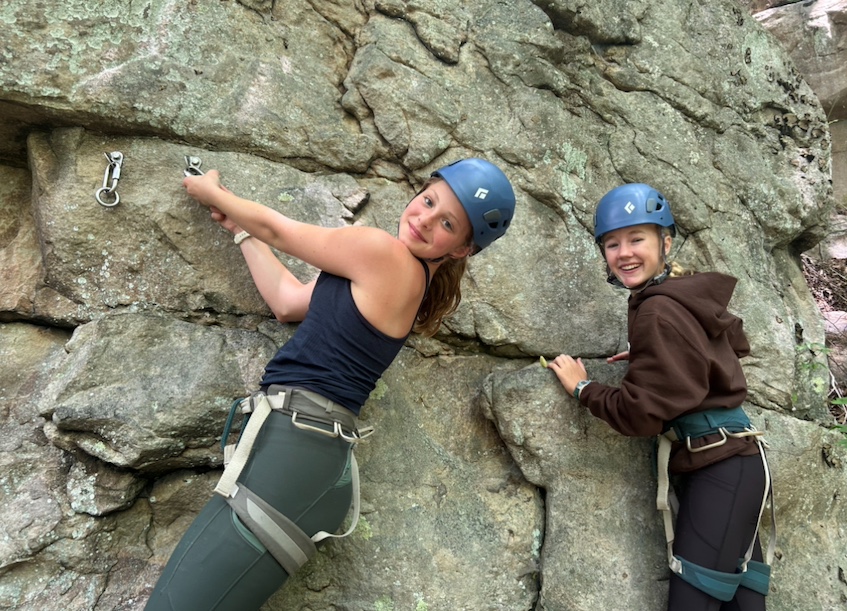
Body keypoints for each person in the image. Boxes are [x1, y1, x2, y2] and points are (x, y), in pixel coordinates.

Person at [144, 158, 516, 610]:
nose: (424, 219)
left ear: (461, 249)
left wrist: (213, 192)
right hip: (306, 455)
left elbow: (279, 231)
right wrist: (241, 230)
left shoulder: (383, 254)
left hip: (294, 451)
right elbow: (287, 302)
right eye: (428, 201)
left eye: (448, 224)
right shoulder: (391, 275)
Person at [547, 183, 773, 611]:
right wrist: (657, 355)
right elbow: (723, 350)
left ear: (665, 243)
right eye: (612, 244)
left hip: (719, 470)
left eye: (637, 239)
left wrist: (583, 388)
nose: (624, 253)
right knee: (742, 606)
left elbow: (640, 415)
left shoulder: (657, 308)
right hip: (737, 465)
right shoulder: (679, 297)